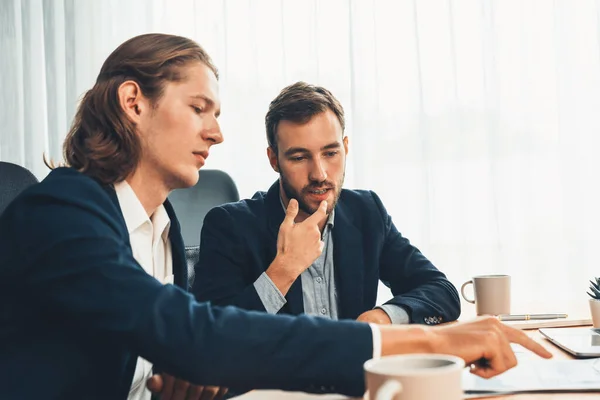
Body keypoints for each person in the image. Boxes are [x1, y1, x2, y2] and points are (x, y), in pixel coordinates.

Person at [0, 33, 551, 400]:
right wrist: (432, 345)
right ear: (133, 102)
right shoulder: (63, 211)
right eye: (199, 109)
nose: (216, 132)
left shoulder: (160, 225)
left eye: (331, 152)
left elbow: (164, 348)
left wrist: (180, 377)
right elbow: (200, 332)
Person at [193, 82, 460, 327]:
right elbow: (211, 333)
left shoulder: (367, 212)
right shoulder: (230, 225)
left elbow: (441, 291)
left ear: (345, 148)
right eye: (299, 157)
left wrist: (383, 318)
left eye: (331, 153)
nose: (319, 173)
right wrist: (284, 269)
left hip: (357, 378)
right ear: (274, 160)